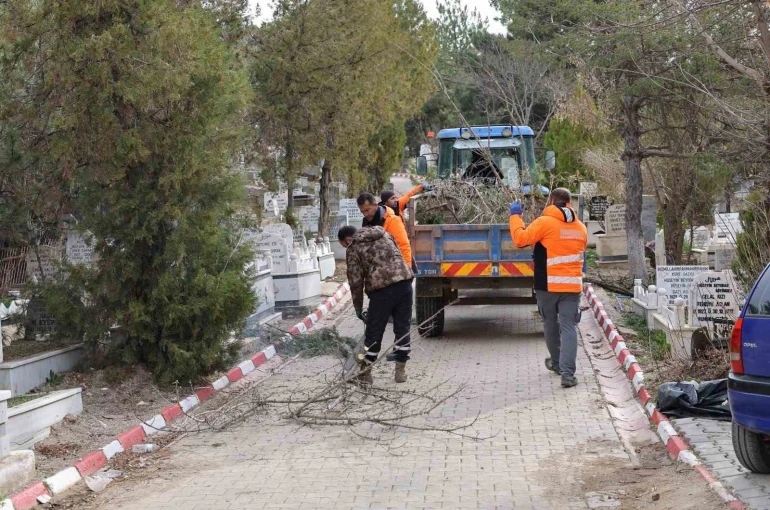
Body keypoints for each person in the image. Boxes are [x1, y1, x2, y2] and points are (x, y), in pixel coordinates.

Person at [508, 188, 588, 388]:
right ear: (570, 203)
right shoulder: (581, 228)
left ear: (552, 200)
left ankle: (556, 363)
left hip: (547, 286)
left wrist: (515, 216)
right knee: (569, 327)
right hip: (572, 287)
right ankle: (568, 374)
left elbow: (520, 239)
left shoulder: (544, 223)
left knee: (550, 324)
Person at [338, 225, 414, 384]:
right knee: (403, 328)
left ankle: (366, 374)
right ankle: (400, 372)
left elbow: (355, 282)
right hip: (405, 283)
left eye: (344, 245)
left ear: (347, 239)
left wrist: (358, 308)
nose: (346, 248)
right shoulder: (384, 232)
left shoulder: (353, 247)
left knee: (374, 333)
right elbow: (398, 254)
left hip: (382, 291)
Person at [357, 192, 411, 265]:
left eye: (367, 210)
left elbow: (403, 246)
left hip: (396, 267)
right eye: (362, 212)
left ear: (375, 205)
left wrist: (407, 270)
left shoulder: (392, 220)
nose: (365, 214)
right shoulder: (366, 222)